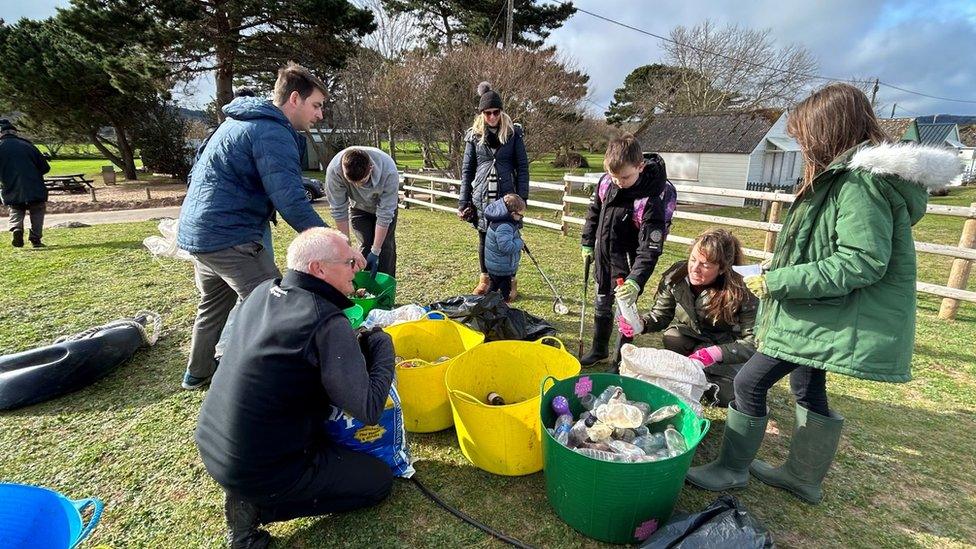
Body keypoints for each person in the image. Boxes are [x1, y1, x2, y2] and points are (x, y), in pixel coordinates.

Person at [686, 83, 962, 504]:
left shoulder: (858, 184)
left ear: (828, 131)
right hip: (821, 310)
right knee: (807, 387)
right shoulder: (847, 179)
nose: (800, 144)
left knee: (748, 383)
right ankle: (802, 476)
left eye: (804, 136)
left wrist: (779, 282)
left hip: (816, 313)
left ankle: (731, 469)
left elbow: (861, 261)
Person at [196, 228, 395, 549]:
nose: (357, 269)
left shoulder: (262, 291)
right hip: (262, 468)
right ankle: (259, 506)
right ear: (319, 269)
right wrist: (383, 345)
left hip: (214, 445)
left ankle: (253, 493)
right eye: (349, 262)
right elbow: (369, 408)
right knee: (377, 481)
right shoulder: (326, 321)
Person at [177, 62, 344, 391]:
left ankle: (197, 373)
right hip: (230, 237)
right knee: (275, 305)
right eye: (317, 105)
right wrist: (335, 244)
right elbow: (291, 202)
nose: (319, 115)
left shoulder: (239, 121)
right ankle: (269, 384)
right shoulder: (272, 131)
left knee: (214, 304)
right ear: (294, 99)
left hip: (200, 234)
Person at [618, 228, 757, 406]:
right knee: (673, 337)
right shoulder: (676, 276)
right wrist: (641, 323)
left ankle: (701, 373)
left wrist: (714, 353)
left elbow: (753, 343)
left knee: (728, 396)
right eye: (693, 260)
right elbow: (661, 314)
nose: (695, 269)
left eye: (705, 265)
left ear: (722, 268)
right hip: (693, 337)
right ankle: (692, 372)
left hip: (728, 346)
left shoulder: (742, 289)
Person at [579, 134, 677, 369]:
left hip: (629, 266)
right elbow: (594, 213)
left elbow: (651, 247)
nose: (619, 182)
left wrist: (635, 280)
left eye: (625, 177)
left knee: (625, 313)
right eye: (614, 177)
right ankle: (599, 349)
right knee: (602, 302)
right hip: (604, 258)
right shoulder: (606, 183)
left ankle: (621, 360)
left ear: (640, 166)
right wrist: (587, 242)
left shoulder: (651, 199)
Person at [458, 81, 529, 299]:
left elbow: (523, 167)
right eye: (487, 113)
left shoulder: (513, 134)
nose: (491, 117)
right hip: (482, 196)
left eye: (495, 112)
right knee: (485, 238)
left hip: (507, 197)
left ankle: (511, 280)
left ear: (501, 111)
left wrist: (522, 199)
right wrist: (463, 201)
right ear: (481, 114)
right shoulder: (474, 136)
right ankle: (485, 279)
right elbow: (467, 170)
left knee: (509, 237)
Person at [326, 146, 400, 278]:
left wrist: (376, 251)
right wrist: (346, 249)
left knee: (385, 248)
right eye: (353, 183)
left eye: (363, 181)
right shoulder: (334, 171)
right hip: (358, 207)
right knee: (366, 244)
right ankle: (364, 286)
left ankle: (385, 288)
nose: (358, 186)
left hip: (384, 207)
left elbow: (385, 214)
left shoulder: (388, 170)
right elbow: (339, 211)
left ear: (371, 168)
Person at [0, 118, 51, 248]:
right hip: (34, 185)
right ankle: (35, 239)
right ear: (15, 132)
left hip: (11, 186)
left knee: (16, 209)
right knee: (37, 211)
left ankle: (17, 228)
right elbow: (45, 168)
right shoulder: (28, 145)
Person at [483, 193, 526, 302]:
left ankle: (486, 304)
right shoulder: (504, 226)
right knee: (504, 293)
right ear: (512, 214)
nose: (521, 218)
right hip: (502, 267)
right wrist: (520, 243)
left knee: (493, 288)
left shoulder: (501, 221)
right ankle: (502, 310)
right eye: (520, 215)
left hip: (496, 265)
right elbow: (507, 247)